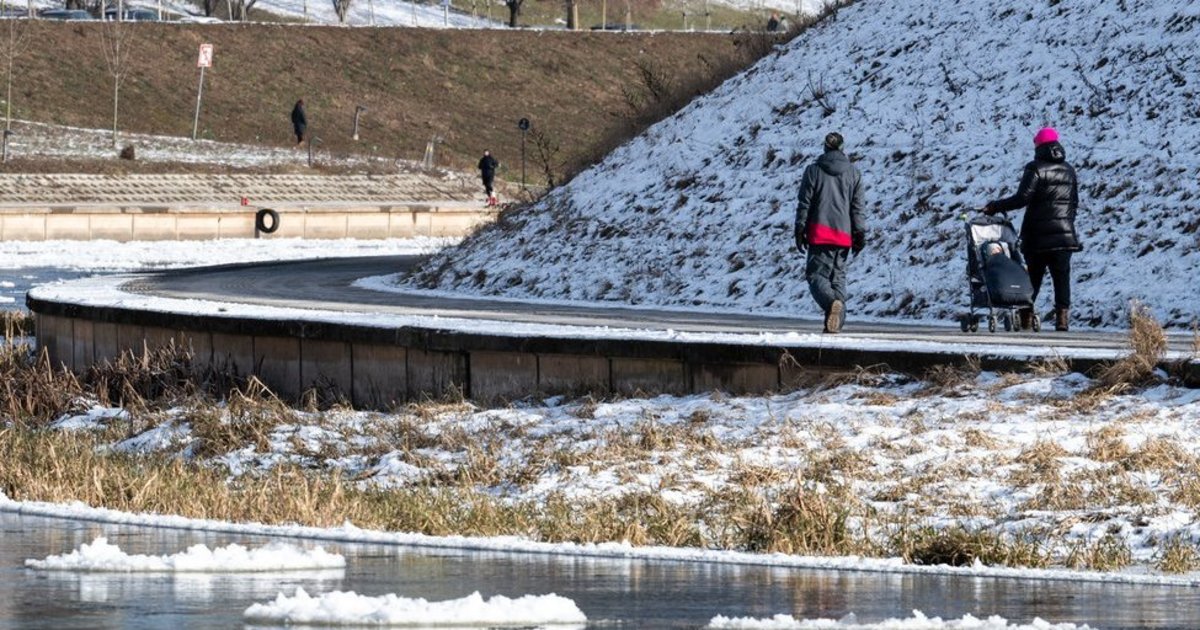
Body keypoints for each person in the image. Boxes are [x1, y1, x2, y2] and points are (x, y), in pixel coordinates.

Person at [983, 127, 1081, 331]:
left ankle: (1026, 319)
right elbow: (1073, 203)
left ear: (1039, 145)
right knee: (1062, 277)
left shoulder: (1035, 168)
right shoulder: (1069, 169)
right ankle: (1062, 320)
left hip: (1038, 235)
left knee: (1032, 278)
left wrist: (995, 206)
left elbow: (1022, 198)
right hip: (1064, 235)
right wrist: (1067, 222)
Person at [795, 132, 867, 334]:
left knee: (815, 275)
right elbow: (858, 207)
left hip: (820, 232)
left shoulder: (813, 171)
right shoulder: (854, 173)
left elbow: (804, 204)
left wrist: (800, 229)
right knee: (837, 279)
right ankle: (833, 327)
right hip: (844, 235)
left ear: (825, 148)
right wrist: (859, 233)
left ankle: (833, 303)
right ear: (843, 148)